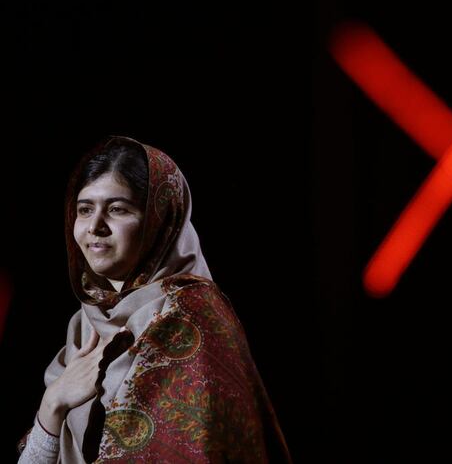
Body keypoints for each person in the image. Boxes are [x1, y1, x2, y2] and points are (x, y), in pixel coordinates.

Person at [17, 136, 292, 463]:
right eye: (85, 209)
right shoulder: (85, 326)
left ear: (158, 221)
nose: (95, 226)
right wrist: (52, 405)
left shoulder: (192, 317)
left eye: (118, 209)